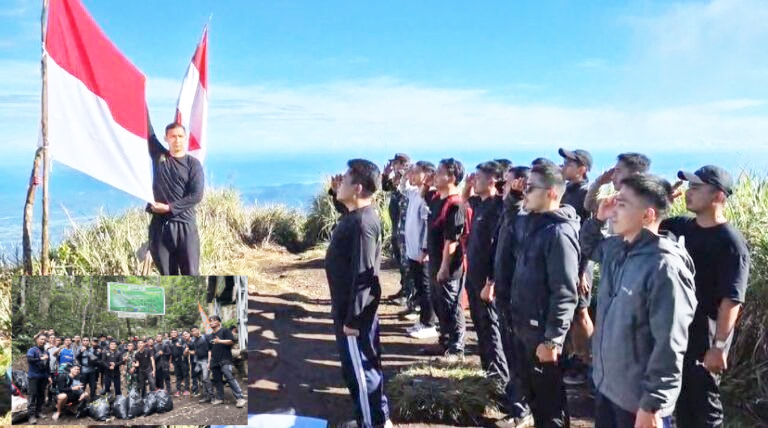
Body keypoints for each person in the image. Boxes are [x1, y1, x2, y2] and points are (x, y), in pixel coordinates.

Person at [581, 174, 697, 428]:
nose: (614, 210)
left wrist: (653, 405)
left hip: (639, 402)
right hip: (608, 388)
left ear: (647, 215)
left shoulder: (665, 267)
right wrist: (598, 218)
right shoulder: (617, 248)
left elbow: (669, 343)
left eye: (622, 204)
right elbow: (588, 246)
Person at [661, 166, 751, 427]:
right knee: (683, 406)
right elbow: (648, 223)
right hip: (680, 333)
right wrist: (663, 200)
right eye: (689, 186)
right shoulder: (681, 226)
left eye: (697, 187)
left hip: (706, 337)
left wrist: (719, 347)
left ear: (718, 196)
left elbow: (731, 299)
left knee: (705, 409)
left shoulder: (731, 243)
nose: (689, 192)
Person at [502, 163, 580, 427]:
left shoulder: (559, 233)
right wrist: (513, 197)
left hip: (543, 335)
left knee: (550, 408)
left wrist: (552, 340)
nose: (525, 192)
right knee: (535, 401)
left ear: (551, 193)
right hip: (526, 330)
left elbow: (565, 292)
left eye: (530, 188)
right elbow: (511, 222)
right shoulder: (533, 223)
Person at [324, 159, 391, 428]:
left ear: (358, 188)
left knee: (362, 373)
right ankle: (372, 418)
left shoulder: (363, 224)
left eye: (346, 179)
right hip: (349, 311)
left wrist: (353, 320)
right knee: (356, 370)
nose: (340, 182)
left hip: (354, 315)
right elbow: (348, 213)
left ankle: (373, 423)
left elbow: (366, 277)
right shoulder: (358, 215)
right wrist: (335, 193)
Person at [487, 165, 529, 412]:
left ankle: (521, 407)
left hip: (517, 298)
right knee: (509, 350)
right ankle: (513, 397)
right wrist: (492, 281)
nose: (503, 187)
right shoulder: (508, 213)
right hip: (504, 294)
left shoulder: (523, 218)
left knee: (518, 354)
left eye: (509, 183)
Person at [463, 161, 508, 383]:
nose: (474, 181)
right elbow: (464, 201)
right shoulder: (479, 203)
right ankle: (487, 374)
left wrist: (491, 282)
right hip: (474, 277)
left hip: (486, 281)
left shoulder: (497, 208)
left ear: (491, 181)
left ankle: (499, 380)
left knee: (491, 329)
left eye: (478, 178)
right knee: (480, 326)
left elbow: (496, 249)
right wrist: (468, 185)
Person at [558, 147, 595, 386]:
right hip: (566, 260)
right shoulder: (566, 190)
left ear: (582, 169)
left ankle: (587, 361)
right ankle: (573, 356)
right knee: (570, 312)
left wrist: (582, 271)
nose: (563, 166)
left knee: (581, 312)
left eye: (569, 164)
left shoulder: (584, 194)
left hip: (580, 263)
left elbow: (587, 235)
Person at [147, 122, 205, 275]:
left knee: (191, 275)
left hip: (185, 226)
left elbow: (196, 195)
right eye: (173, 136)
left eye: (180, 136)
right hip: (160, 226)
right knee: (167, 276)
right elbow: (148, 131)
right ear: (166, 138)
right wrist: (141, 106)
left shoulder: (193, 164)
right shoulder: (159, 156)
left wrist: (169, 208)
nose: (177, 140)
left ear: (185, 138)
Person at [427, 158, 468, 362]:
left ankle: (457, 347)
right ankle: (444, 341)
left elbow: (452, 240)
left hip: (450, 266)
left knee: (451, 305)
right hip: (435, 261)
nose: (435, 175)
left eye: (439, 172)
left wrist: (444, 267)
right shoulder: (437, 199)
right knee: (439, 303)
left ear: (451, 177)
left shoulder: (455, 205)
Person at [402, 161, 439, 339]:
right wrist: (405, 174)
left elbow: (428, 225)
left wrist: (426, 249)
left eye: (416, 172)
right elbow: (403, 188)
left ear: (427, 175)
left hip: (422, 252)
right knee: (419, 286)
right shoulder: (415, 192)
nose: (412, 174)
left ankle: (429, 324)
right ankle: (423, 321)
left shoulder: (428, 197)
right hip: (412, 250)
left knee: (426, 288)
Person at [381, 153, 413, 308]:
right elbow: (386, 187)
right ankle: (404, 289)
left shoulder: (408, 180)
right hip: (397, 226)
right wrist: (386, 175)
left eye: (395, 163)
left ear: (402, 164)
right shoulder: (398, 178)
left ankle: (408, 294)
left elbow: (402, 194)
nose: (393, 166)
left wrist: (399, 178)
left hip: (405, 228)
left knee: (406, 262)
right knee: (400, 261)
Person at [584, 152, 651, 216]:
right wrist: (599, 182)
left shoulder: (648, 204)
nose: (613, 176)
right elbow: (590, 204)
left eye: (618, 171)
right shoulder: (615, 201)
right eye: (614, 171)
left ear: (634, 175)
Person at [208, 315, 247, 408]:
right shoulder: (210, 336)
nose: (211, 322)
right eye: (210, 321)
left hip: (225, 359)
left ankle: (240, 398)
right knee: (217, 380)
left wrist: (220, 341)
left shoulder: (225, 331)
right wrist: (209, 362)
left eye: (214, 320)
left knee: (229, 377)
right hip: (214, 360)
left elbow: (232, 341)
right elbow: (210, 350)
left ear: (219, 322)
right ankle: (220, 398)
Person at [26, 333, 50, 424]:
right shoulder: (32, 350)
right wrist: (40, 358)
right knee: (32, 395)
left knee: (41, 395)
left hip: (43, 376)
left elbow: (47, 365)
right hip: (33, 376)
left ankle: (38, 411)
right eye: (41, 339)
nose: (43, 341)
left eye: (44, 340)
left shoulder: (46, 352)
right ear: (37, 340)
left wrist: (49, 376)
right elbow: (29, 360)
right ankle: (31, 415)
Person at [190, 326, 214, 402]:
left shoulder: (205, 338)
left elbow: (209, 350)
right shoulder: (194, 341)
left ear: (198, 330)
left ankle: (212, 397)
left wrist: (209, 362)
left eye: (195, 330)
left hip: (205, 360)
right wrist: (188, 352)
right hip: (198, 361)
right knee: (202, 379)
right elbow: (196, 352)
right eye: (192, 331)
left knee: (206, 378)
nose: (194, 332)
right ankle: (206, 396)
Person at [169, 329, 190, 397]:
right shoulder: (170, 342)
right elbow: (170, 353)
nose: (173, 334)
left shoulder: (181, 339)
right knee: (178, 375)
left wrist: (180, 346)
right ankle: (178, 390)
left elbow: (186, 347)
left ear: (177, 333)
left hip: (183, 359)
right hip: (175, 361)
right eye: (172, 332)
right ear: (170, 334)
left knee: (185, 374)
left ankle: (187, 389)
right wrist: (171, 362)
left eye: (175, 332)